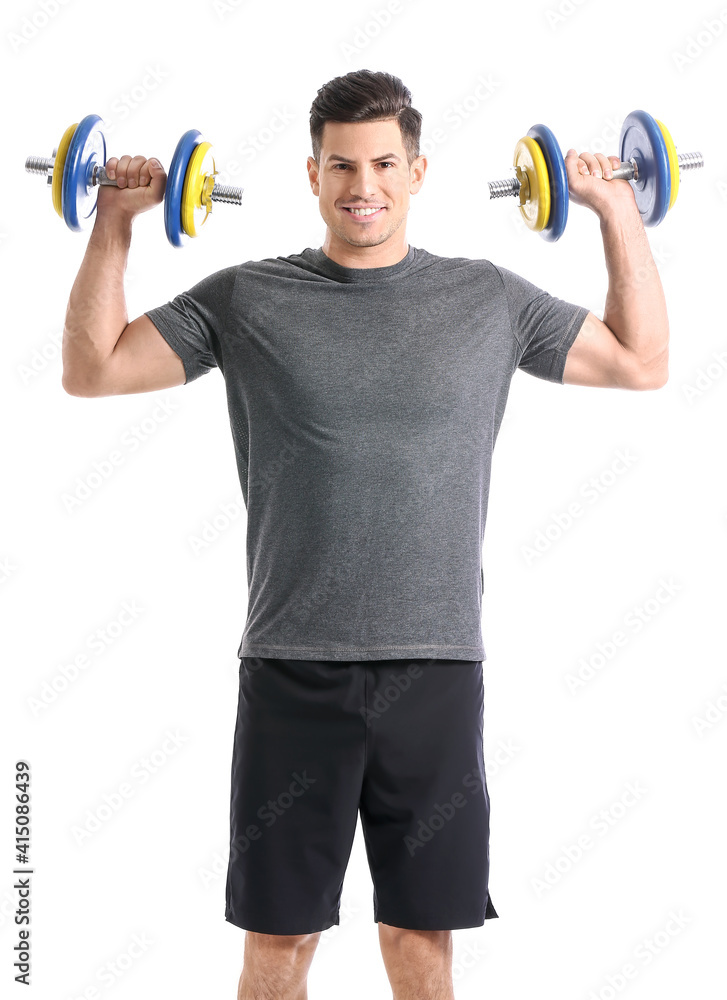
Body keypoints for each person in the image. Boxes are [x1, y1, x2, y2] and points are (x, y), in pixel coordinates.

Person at [62, 69, 668, 1000]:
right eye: (340, 165)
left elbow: (640, 360)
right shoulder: (246, 299)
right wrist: (113, 222)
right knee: (279, 944)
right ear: (311, 175)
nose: (363, 186)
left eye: (384, 162)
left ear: (417, 171)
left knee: (419, 942)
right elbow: (93, 371)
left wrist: (614, 207)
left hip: (435, 669)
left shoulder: (488, 299)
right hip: (290, 670)